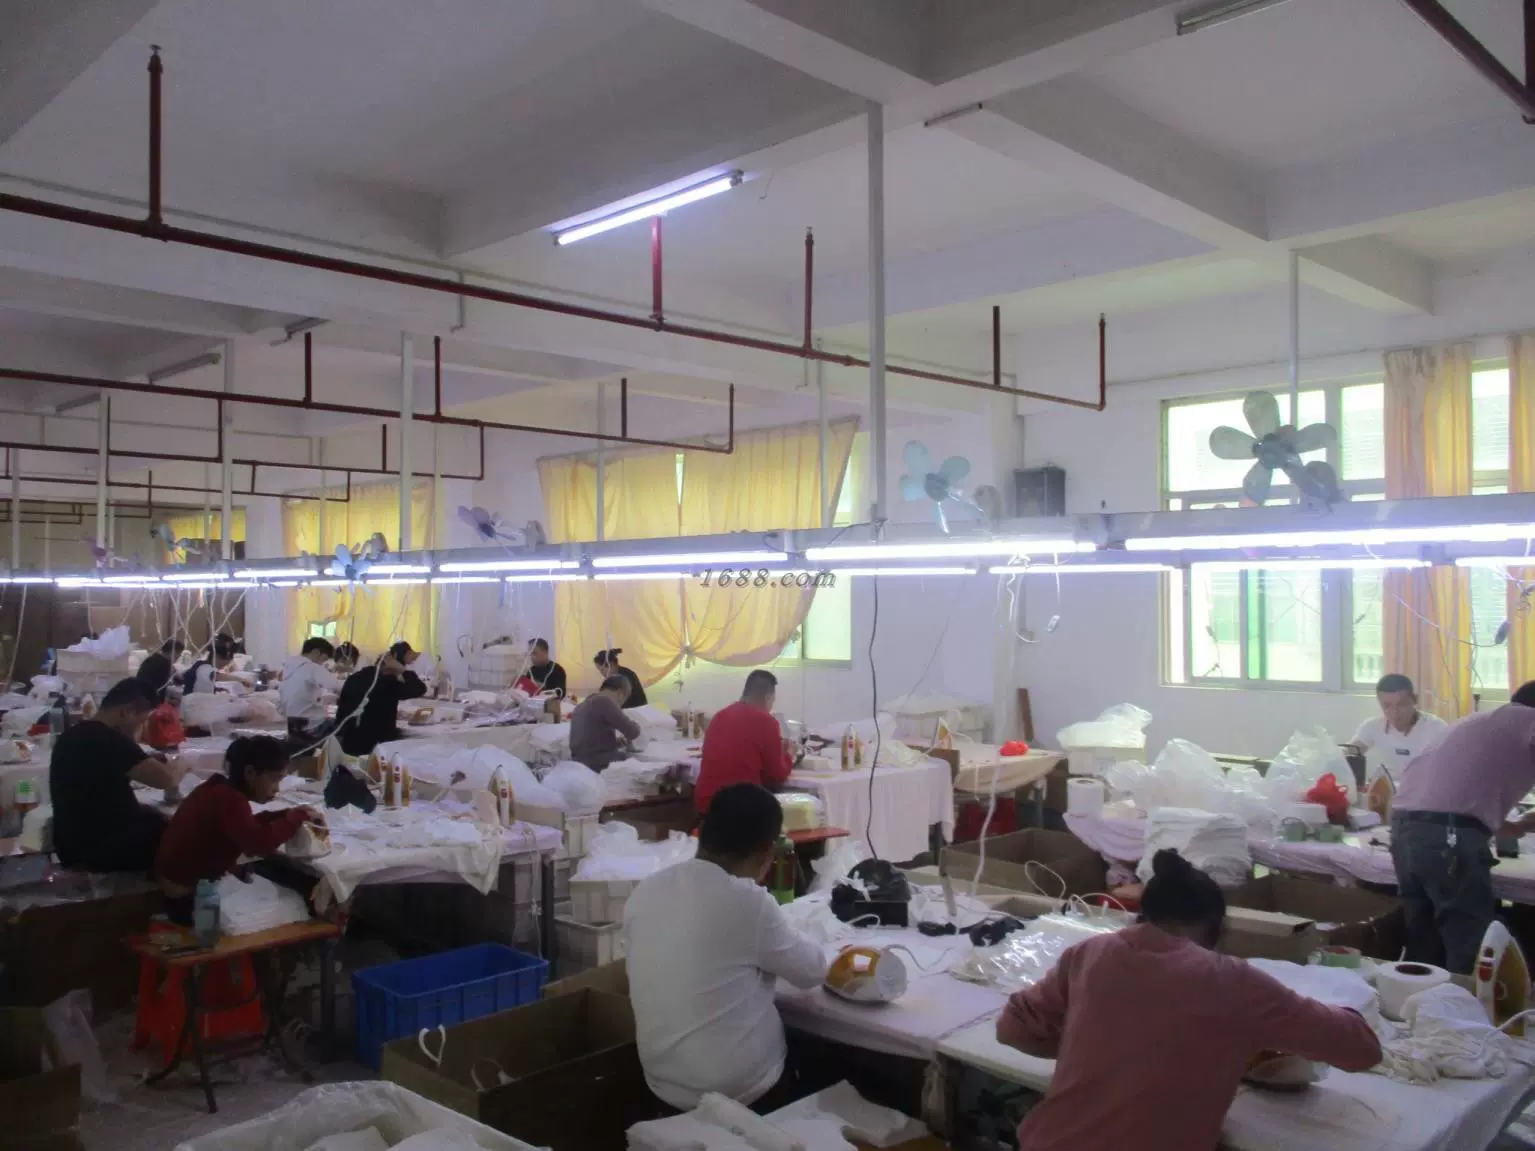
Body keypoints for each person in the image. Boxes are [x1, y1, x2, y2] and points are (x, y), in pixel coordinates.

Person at [996, 850, 1381, 1151]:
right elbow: (1362, 1049)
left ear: (1143, 916)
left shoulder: (1090, 952)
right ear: (1216, 930)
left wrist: (1097, 1051)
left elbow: (1011, 1028)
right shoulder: (1231, 980)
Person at [624, 783, 824, 1112]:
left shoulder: (647, 889)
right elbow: (812, 972)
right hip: (736, 1091)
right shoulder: (748, 903)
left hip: (661, 1083)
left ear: (702, 833)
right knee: (818, 1048)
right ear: (768, 850)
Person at [1390, 681, 1535, 973]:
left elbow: (1456, 791)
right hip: (1448, 838)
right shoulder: (1527, 719)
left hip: (1405, 830)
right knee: (1470, 947)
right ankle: (1465, 1001)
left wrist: (1513, 824)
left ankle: (1422, 1000)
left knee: (1425, 945)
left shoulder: (1479, 723)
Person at [154, 735, 322, 925]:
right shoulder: (229, 799)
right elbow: (258, 844)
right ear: (250, 773)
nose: (277, 789)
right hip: (189, 899)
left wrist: (285, 815)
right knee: (299, 892)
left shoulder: (217, 788)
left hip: (180, 886)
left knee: (272, 872)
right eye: (274, 780)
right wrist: (294, 818)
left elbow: (244, 826)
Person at [49, 677, 189, 873]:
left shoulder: (74, 735)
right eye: (141, 721)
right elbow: (166, 779)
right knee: (184, 834)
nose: (141, 729)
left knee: (153, 815)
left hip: (71, 843)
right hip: (101, 850)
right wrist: (183, 763)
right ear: (126, 712)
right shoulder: (109, 740)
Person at [694, 670, 797, 814]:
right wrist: (789, 756)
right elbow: (775, 776)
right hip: (740, 809)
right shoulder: (767, 722)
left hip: (707, 804)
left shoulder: (720, 716)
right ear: (768, 698)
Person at [1345, 673, 1449, 788]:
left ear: (1415, 700)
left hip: (1423, 790)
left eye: (1401, 705)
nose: (1394, 712)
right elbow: (1351, 751)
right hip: (1388, 790)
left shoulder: (1436, 728)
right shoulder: (1373, 726)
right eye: (1387, 706)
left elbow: (1449, 769)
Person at [333, 645, 429, 756]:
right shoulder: (387, 683)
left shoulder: (355, 677)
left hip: (349, 742)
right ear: (391, 668)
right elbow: (420, 689)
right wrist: (403, 671)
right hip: (374, 746)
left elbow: (341, 711)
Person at [569, 675, 644, 770]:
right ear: (620, 694)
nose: (620, 706)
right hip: (597, 763)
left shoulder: (581, 706)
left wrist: (616, 742)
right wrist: (637, 725)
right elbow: (633, 732)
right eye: (623, 701)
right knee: (638, 761)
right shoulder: (604, 701)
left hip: (580, 762)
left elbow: (589, 741)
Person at [279, 637, 338, 741]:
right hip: (311, 723)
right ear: (316, 652)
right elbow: (336, 685)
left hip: (291, 723)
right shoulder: (311, 667)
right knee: (343, 723)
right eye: (324, 659)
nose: (322, 663)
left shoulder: (289, 666)